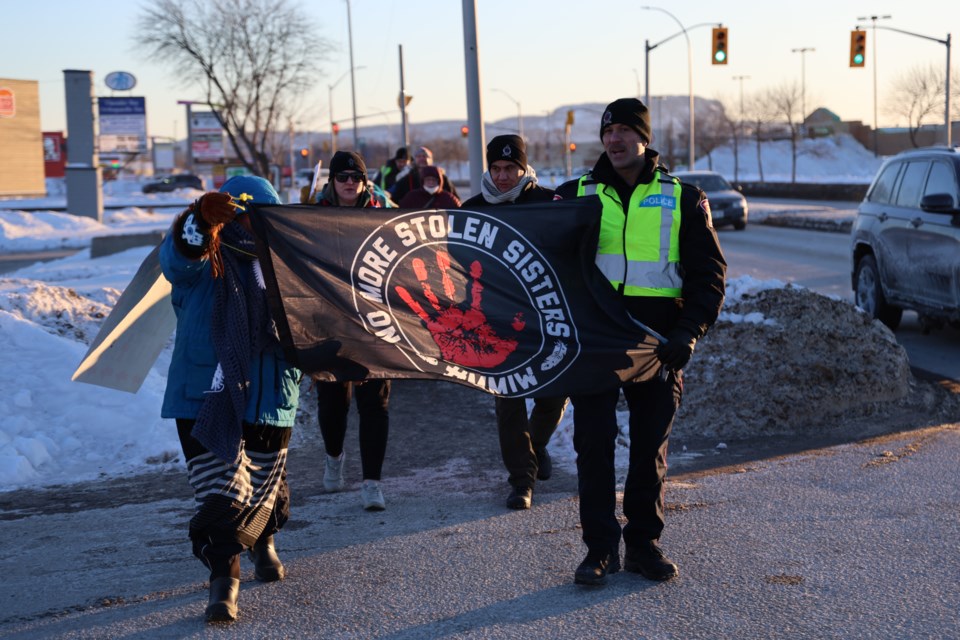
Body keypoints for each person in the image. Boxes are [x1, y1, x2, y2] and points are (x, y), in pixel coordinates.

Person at [553, 98, 726, 586]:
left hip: (657, 344)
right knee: (594, 445)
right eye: (609, 131)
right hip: (596, 342)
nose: (616, 139)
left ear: (645, 138)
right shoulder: (574, 195)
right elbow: (538, 254)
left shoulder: (683, 198)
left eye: (627, 130)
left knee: (650, 445)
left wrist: (687, 333)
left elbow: (709, 276)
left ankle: (644, 543)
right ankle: (600, 549)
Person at [159, 175, 302, 623]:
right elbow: (176, 259)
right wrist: (199, 219)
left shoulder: (286, 262)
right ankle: (224, 580)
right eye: (239, 216)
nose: (249, 226)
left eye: (259, 218)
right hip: (206, 394)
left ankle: (264, 539)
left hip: (272, 392)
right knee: (220, 494)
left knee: (262, 486)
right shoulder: (204, 257)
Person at [461, 134, 568, 510]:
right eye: (497, 168)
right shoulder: (472, 209)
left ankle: (535, 448)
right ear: (488, 169)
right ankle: (521, 480)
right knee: (508, 402)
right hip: (495, 325)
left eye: (511, 168)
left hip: (547, 321)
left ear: (524, 169)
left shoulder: (549, 203)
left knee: (554, 395)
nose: (504, 176)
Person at [307, 150, 393, 511]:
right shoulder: (312, 213)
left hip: (375, 317)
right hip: (330, 316)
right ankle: (334, 457)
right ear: (331, 180)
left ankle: (372, 482)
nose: (348, 183)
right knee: (333, 401)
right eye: (341, 177)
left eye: (354, 177)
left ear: (364, 181)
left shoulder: (383, 209)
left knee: (375, 402)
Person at [390, 145, 461, 202]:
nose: (422, 159)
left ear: (431, 160)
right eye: (419, 156)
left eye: (424, 156)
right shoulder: (407, 179)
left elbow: (454, 198)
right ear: (415, 160)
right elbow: (396, 198)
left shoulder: (441, 178)